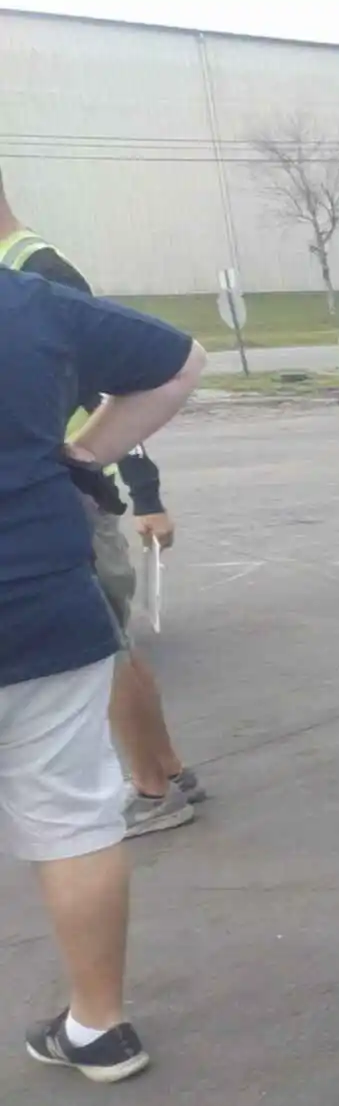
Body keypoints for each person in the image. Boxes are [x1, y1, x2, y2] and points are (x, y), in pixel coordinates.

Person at [1, 264, 205, 1081]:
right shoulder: (24, 301)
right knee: (72, 817)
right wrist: (85, 451)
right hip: (36, 597)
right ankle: (100, 1025)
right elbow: (180, 362)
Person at [0, 173, 203, 837]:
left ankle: (153, 788)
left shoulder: (38, 275)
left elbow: (120, 384)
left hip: (61, 501)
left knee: (104, 650)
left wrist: (138, 491)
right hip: (52, 496)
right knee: (109, 645)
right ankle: (168, 769)